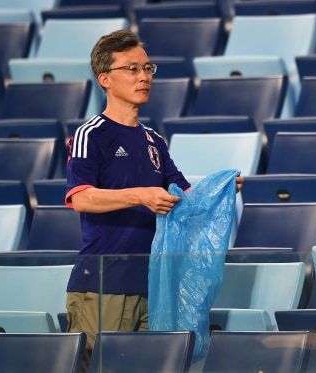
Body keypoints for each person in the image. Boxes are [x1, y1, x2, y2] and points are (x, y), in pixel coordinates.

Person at [64, 29, 243, 369]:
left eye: (148, 69)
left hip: (155, 288)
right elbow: (81, 198)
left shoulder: (154, 141)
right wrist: (141, 196)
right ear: (105, 79)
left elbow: (186, 199)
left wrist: (222, 187)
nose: (144, 77)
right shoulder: (90, 134)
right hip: (105, 286)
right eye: (132, 69)